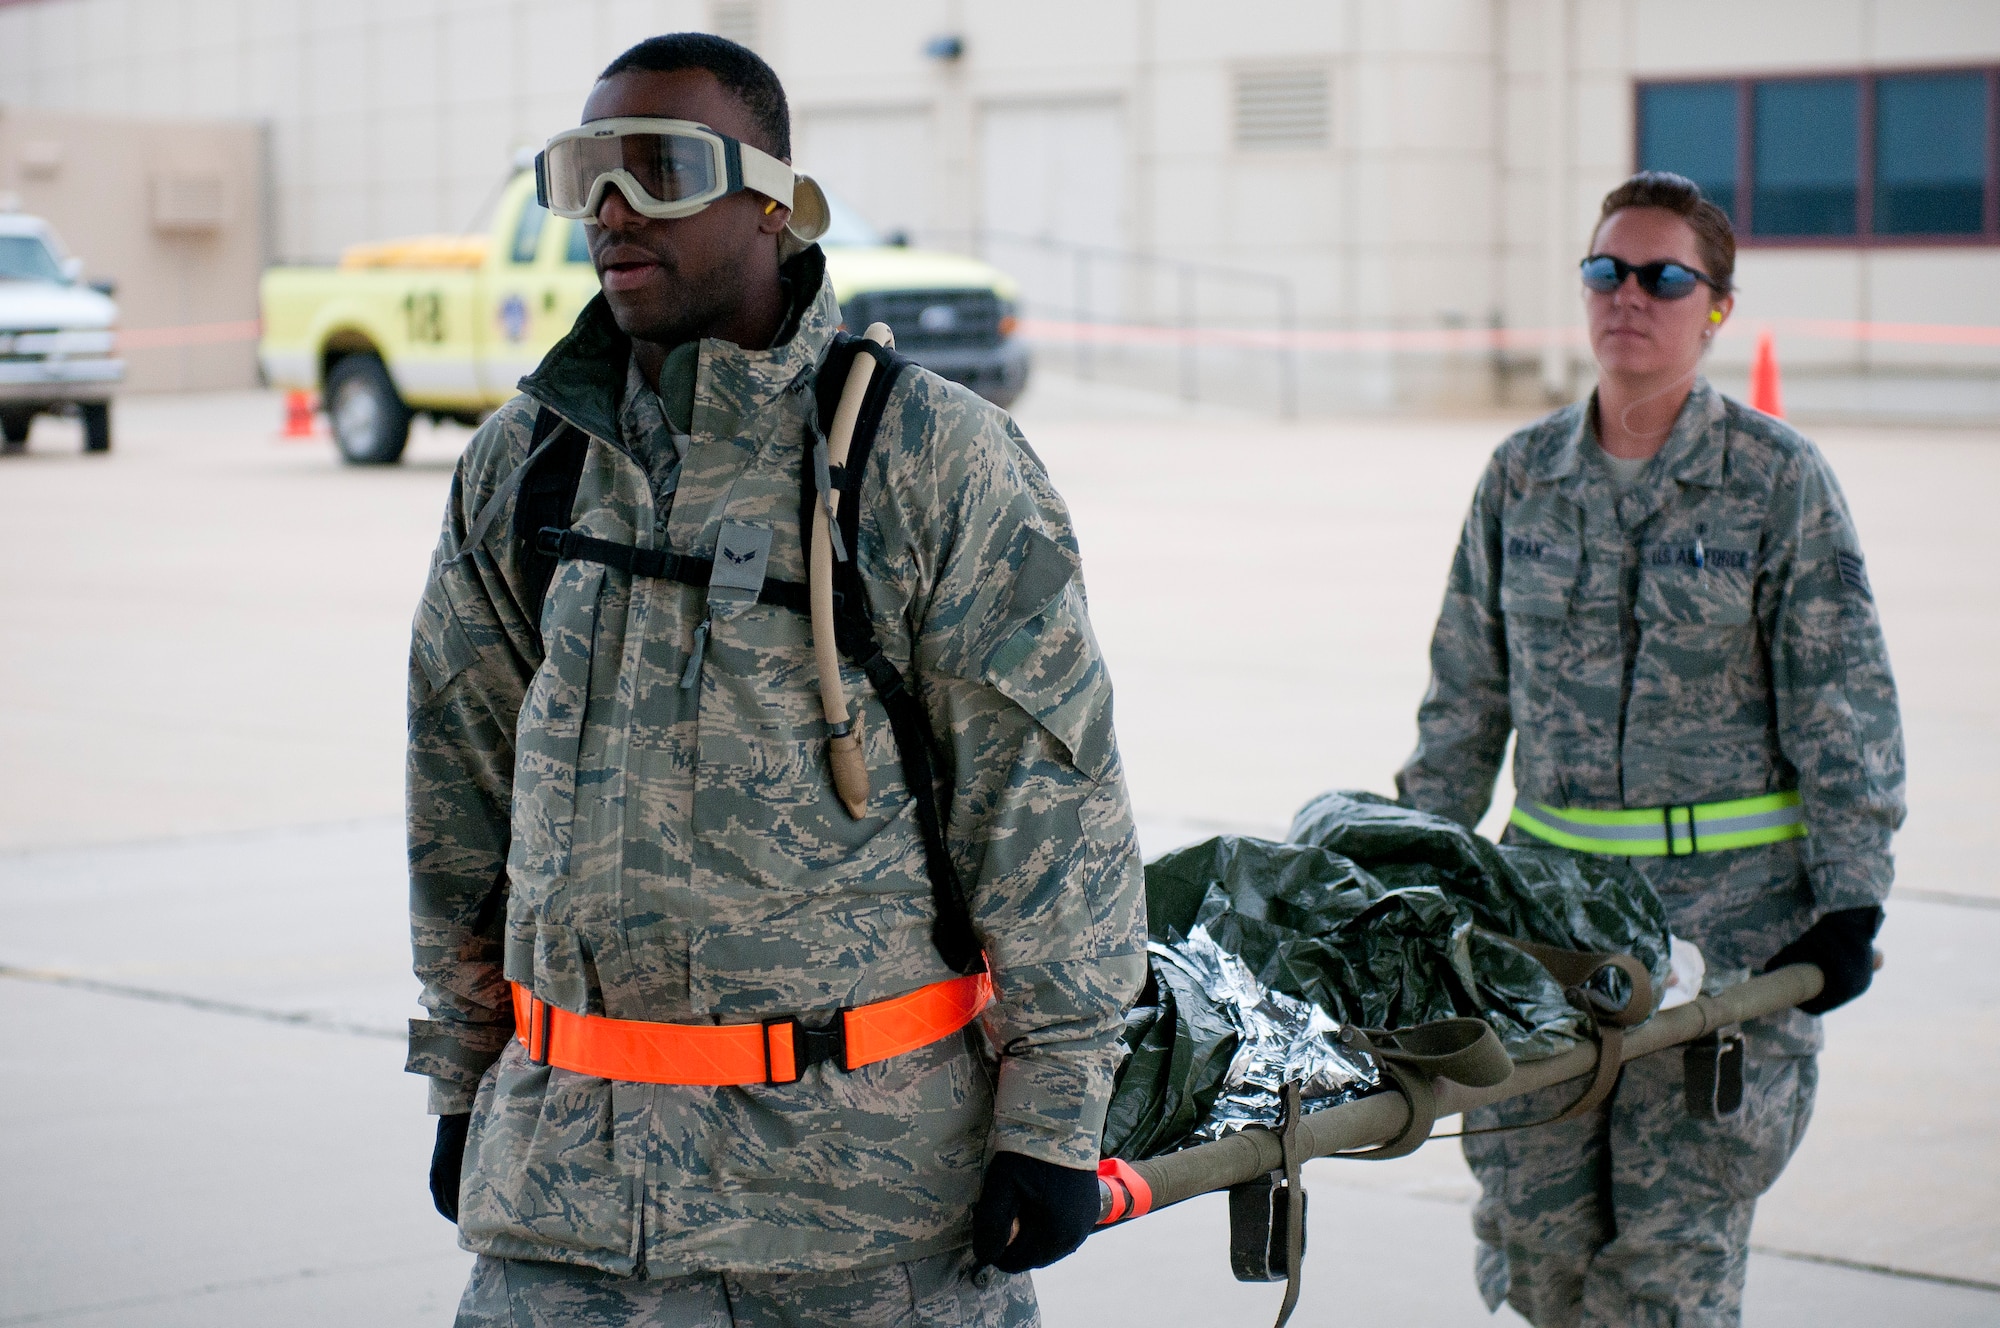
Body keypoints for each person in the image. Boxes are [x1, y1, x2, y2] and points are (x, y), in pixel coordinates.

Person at [404, 33, 1144, 1327]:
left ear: (774, 204)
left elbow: (1046, 808)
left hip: (858, 1218)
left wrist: (1055, 1116)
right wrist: (462, 1079)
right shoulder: (528, 466)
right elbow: (457, 803)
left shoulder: (931, 462)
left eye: (663, 169)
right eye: (585, 172)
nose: (614, 207)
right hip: (560, 1213)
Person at [1395, 171, 1904, 1327]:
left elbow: (1844, 701)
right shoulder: (1519, 478)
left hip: (1723, 941)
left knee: (1663, 1278)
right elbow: (1462, 698)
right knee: (1537, 1253)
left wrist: (1849, 899)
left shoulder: (1778, 483)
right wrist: (1413, 866)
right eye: (1604, 271)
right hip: (1543, 934)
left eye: (1664, 276)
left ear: (1714, 307)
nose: (1629, 295)